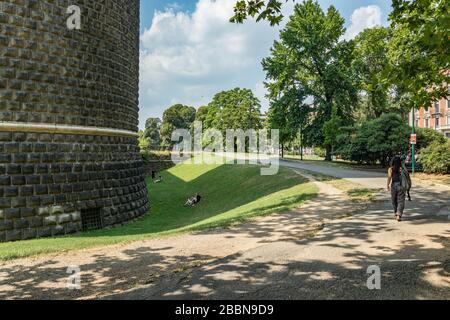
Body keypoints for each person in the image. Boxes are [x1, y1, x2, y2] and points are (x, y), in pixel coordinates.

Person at [387, 156, 406, 221]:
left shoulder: (390, 169)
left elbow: (389, 177)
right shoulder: (401, 168)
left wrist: (387, 185)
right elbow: (407, 175)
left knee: (394, 200)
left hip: (394, 185)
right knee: (401, 200)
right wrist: (403, 165)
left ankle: (396, 213)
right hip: (401, 186)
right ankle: (399, 214)